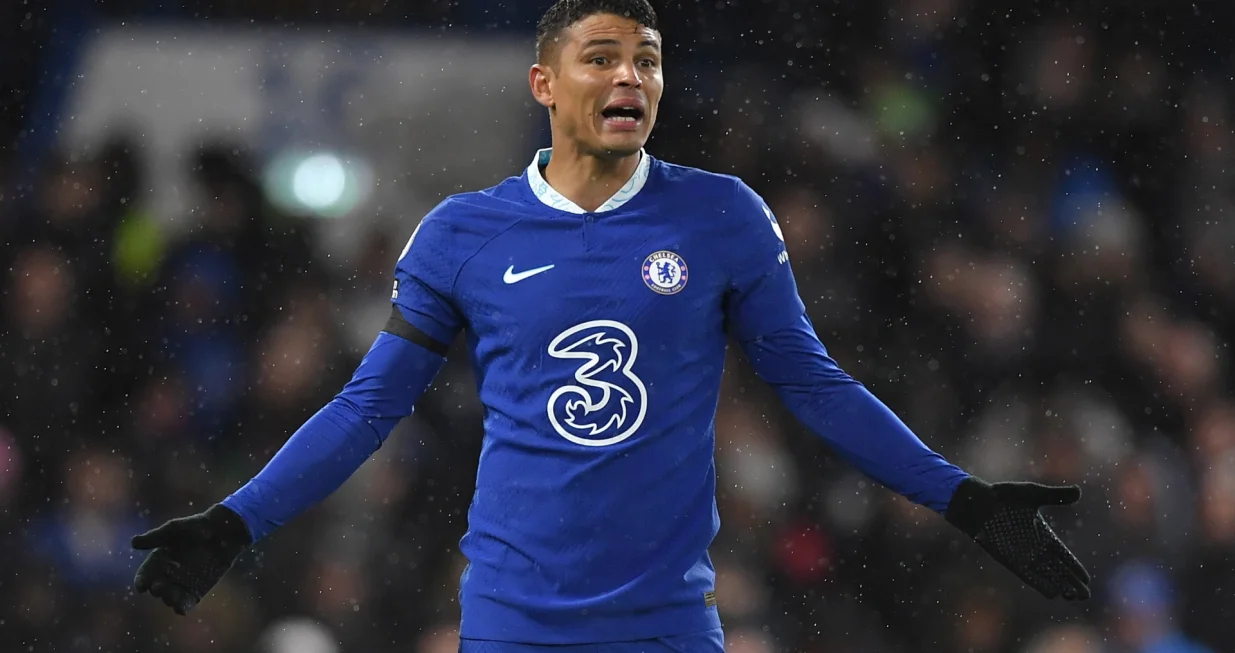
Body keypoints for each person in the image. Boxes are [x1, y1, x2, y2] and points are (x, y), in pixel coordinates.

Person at [131, 1, 1092, 650]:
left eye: (648, 59)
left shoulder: (721, 217)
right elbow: (365, 408)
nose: (630, 76)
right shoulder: (463, 233)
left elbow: (812, 384)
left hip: (666, 621)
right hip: (511, 622)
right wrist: (234, 518)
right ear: (544, 84)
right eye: (602, 58)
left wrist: (961, 498)